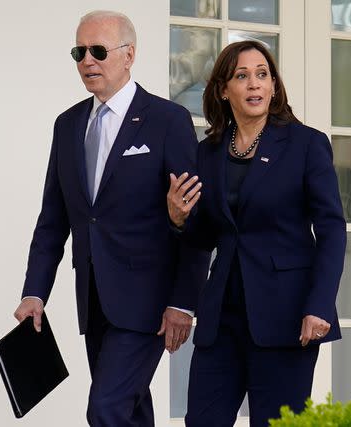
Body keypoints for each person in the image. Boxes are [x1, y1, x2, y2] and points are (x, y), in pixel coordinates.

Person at [13, 10, 210, 426]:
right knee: (130, 412)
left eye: (98, 50)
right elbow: (53, 220)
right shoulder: (66, 126)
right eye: (79, 52)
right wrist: (35, 293)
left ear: (129, 55)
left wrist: (183, 302)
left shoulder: (167, 121)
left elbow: (196, 220)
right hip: (95, 299)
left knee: (105, 409)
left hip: (148, 302)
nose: (87, 61)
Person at [167, 40, 347, 427]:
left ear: (274, 87)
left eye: (262, 75)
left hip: (286, 318)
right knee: (201, 420)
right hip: (222, 320)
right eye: (242, 76)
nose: (254, 85)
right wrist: (180, 218)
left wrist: (319, 304)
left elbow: (332, 229)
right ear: (222, 89)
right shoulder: (208, 152)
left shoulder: (306, 145)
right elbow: (204, 238)